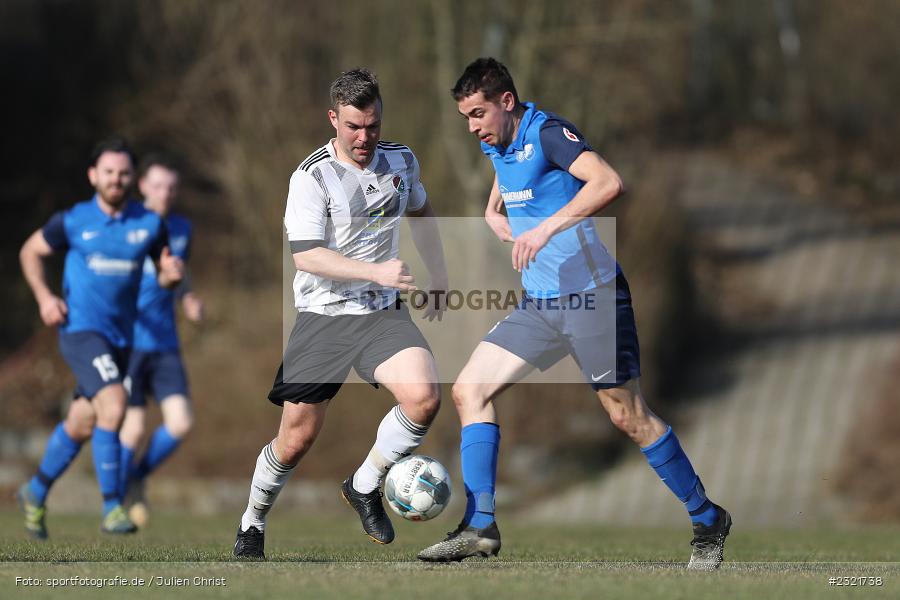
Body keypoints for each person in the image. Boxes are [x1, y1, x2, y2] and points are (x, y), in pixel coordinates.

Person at [416, 58, 732, 570]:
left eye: (478, 114)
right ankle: (480, 527)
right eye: (466, 118)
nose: (473, 127)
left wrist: (544, 230)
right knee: (468, 389)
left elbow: (608, 182)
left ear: (506, 102)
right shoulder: (495, 141)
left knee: (627, 416)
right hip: (540, 305)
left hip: (593, 298)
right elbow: (508, 179)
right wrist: (492, 214)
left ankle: (707, 518)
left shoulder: (550, 134)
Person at [232, 68, 449, 560]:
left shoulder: (402, 161)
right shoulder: (311, 177)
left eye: (372, 125)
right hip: (323, 316)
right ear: (333, 119)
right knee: (296, 438)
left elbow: (423, 210)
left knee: (424, 398)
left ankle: (364, 483)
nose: (364, 137)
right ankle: (253, 522)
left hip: (380, 314)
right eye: (353, 126)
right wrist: (376, 272)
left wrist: (438, 272)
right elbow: (306, 255)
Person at [17, 138, 184, 537]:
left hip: (122, 340)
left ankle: (35, 491)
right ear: (93, 175)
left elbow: (162, 271)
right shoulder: (73, 221)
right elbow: (30, 251)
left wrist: (170, 276)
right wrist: (44, 298)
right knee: (114, 404)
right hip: (80, 332)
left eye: (124, 172)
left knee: (82, 420)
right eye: (108, 172)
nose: (116, 179)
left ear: (132, 178)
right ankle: (112, 506)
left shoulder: (148, 224)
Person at [118, 154, 203, 528]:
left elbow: (179, 273)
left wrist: (187, 299)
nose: (165, 193)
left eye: (171, 187)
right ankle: (116, 500)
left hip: (165, 342)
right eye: (157, 185)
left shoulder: (182, 227)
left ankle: (136, 477)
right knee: (132, 428)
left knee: (181, 423)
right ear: (142, 187)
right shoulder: (128, 224)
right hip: (131, 341)